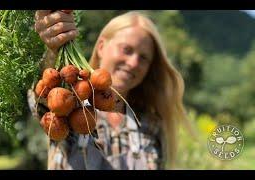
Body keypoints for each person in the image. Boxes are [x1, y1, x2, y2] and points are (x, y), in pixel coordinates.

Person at [32, 10, 188, 170]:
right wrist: (54, 49)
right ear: (101, 47)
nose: (134, 63)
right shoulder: (71, 108)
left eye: (144, 58)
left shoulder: (152, 125)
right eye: (126, 50)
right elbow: (42, 100)